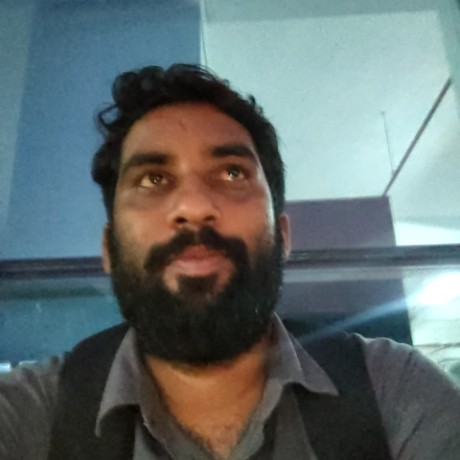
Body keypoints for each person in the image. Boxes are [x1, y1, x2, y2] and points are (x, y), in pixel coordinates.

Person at [0, 64, 459, 460]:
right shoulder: (28, 412)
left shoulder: (397, 392)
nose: (194, 206)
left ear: (282, 237)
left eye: (232, 172)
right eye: (153, 178)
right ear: (108, 248)